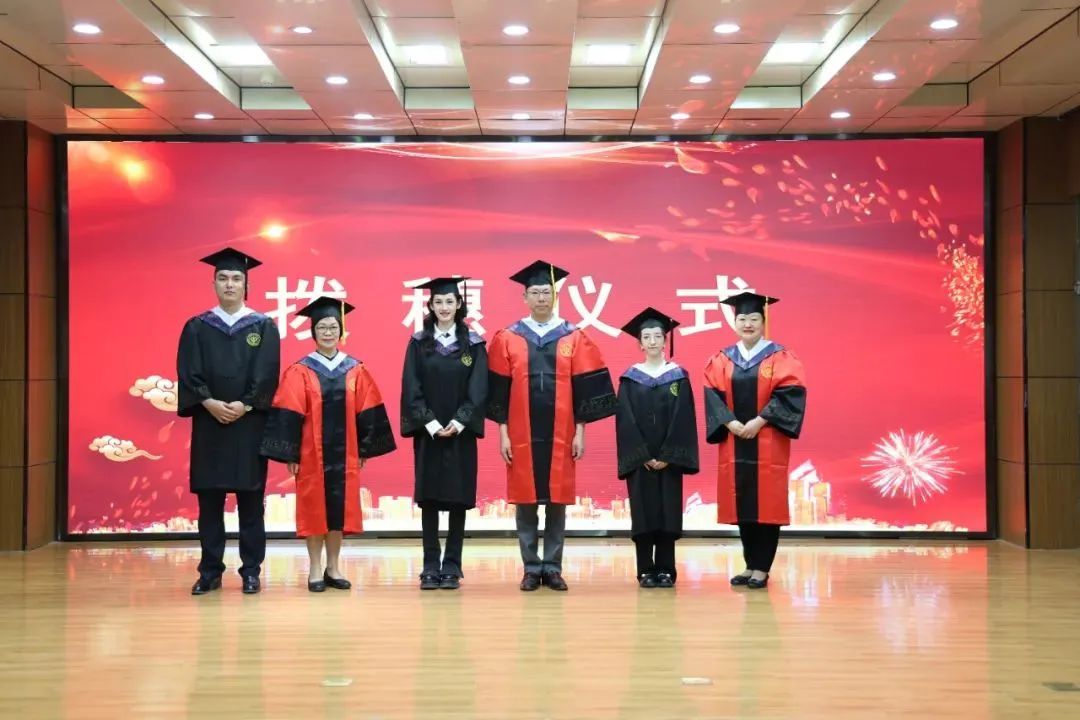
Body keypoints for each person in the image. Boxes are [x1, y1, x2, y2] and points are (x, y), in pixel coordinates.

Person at [487, 260, 616, 592]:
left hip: (562, 431)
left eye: (546, 292)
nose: (541, 298)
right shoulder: (508, 338)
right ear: (525, 298)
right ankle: (531, 568)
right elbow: (498, 391)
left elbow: (585, 388)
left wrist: (580, 431)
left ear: (555, 296)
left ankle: (553, 567)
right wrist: (502, 433)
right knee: (525, 500)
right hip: (520, 432)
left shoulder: (573, 336)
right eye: (535, 292)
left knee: (558, 500)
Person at [261, 296, 396, 592]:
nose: (327, 332)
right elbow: (289, 411)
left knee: (339, 510)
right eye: (322, 327)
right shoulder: (300, 370)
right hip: (311, 454)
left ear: (341, 330)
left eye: (333, 327)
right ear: (313, 331)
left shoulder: (356, 369)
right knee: (314, 509)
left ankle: (333, 567)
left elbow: (367, 409)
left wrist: (364, 448)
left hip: (346, 454)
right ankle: (314, 569)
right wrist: (291, 453)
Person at [177, 247, 280, 595]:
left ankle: (251, 570)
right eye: (223, 278)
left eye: (236, 278)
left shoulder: (263, 326)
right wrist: (208, 401)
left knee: (251, 502)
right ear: (214, 284)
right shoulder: (197, 326)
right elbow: (188, 372)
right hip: (210, 424)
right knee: (210, 503)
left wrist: (245, 404)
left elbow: (267, 374)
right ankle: (210, 571)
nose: (230, 284)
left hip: (248, 425)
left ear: (246, 285)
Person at [703, 292, 806, 589]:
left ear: (763, 321)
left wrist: (759, 421)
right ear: (734, 322)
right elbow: (712, 394)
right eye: (742, 319)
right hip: (735, 439)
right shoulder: (723, 359)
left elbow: (790, 393)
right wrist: (731, 423)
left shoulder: (780, 356)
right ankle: (750, 564)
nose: (747, 324)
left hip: (768, 440)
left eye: (753, 318)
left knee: (767, 505)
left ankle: (762, 568)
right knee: (743, 504)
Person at [400, 277, 488, 591]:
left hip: (461, 435)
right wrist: (432, 423)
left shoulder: (473, 344)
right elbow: (411, 387)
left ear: (459, 304)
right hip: (430, 434)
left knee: (457, 499)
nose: (444, 307)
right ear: (431, 305)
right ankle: (429, 565)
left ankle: (451, 566)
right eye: (438, 302)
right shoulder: (419, 343)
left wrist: (461, 421)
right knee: (430, 500)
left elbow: (479, 388)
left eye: (449, 301)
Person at [615, 308, 699, 588]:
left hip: (668, 460)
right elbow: (625, 420)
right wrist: (641, 455)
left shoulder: (678, 377)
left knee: (666, 513)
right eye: (646, 337)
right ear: (639, 343)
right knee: (643, 514)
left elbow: (683, 418)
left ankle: (666, 569)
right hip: (641, 461)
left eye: (657, 336)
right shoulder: (630, 379)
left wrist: (668, 455)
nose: (652, 341)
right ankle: (645, 569)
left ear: (665, 340)